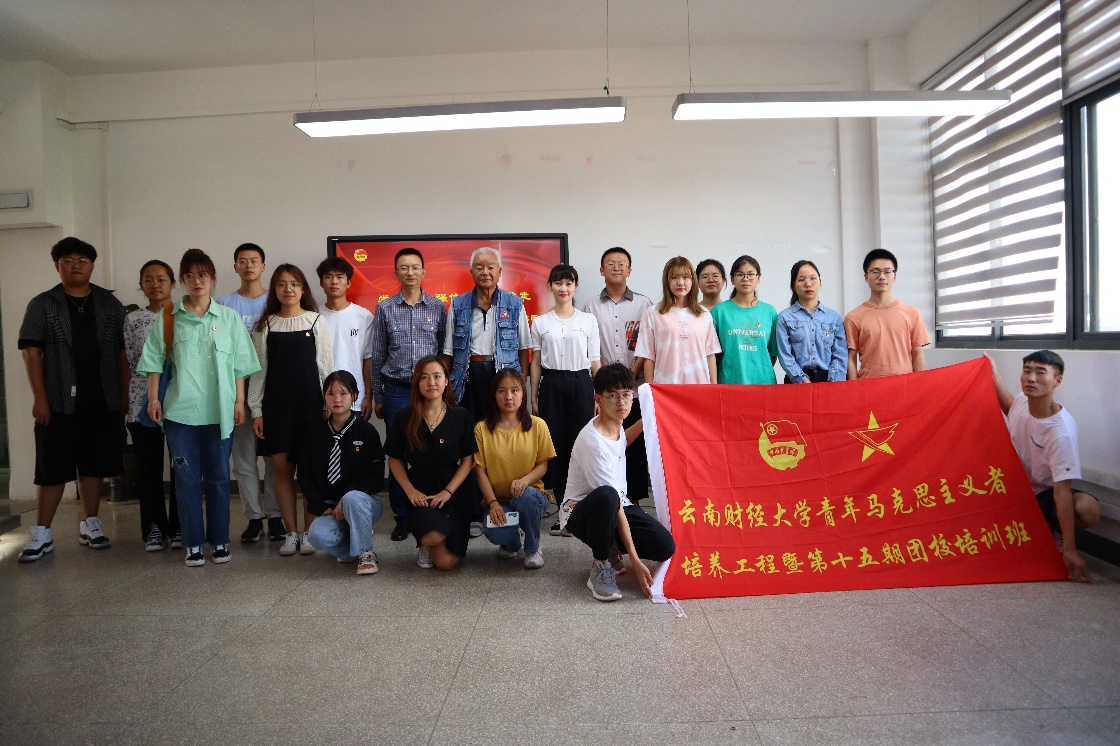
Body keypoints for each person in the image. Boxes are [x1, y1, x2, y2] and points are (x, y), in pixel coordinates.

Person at [139, 249, 260, 567]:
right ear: (182, 280)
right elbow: (154, 361)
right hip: (180, 412)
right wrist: (153, 400)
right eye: (190, 276)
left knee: (219, 478)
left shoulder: (229, 318)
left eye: (203, 275)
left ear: (212, 278)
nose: (197, 281)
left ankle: (219, 541)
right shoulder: (170, 317)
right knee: (186, 479)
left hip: (220, 412)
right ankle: (192, 543)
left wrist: (239, 402)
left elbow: (240, 366)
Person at [18, 237, 128, 562]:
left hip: (101, 398)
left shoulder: (109, 304)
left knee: (93, 465)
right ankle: (42, 532)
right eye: (67, 260)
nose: (75, 265)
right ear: (57, 266)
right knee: (51, 467)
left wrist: (123, 396)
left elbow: (124, 353)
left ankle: (90, 523)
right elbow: (31, 353)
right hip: (57, 401)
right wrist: (40, 399)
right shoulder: (43, 304)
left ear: (92, 265)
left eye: (82, 260)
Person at [562, 364, 675, 601]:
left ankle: (611, 547)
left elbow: (622, 442)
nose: (621, 402)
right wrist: (635, 559)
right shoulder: (593, 441)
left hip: (616, 504)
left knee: (665, 546)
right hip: (580, 511)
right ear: (598, 399)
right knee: (608, 496)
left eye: (626, 395)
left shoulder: (615, 425)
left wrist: (648, 419)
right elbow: (613, 502)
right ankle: (601, 565)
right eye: (612, 396)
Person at [989, 350, 1101, 583]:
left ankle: (1054, 532)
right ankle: (1034, 531)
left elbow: (1062, 491)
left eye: (1040, 373)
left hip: (1045, 494)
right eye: (1027, 371)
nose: (1031, 378)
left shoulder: (1061, 433)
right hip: (1015, 490)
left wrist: (1070, 549)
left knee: (1087, 508)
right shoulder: (1022, 401)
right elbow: (1010, 408)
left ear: (1057, 381)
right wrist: (992, 372)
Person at [248, 264, 333, 557]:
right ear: (274, 289)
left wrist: (328, 405)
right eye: (282, 284)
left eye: (294, 284)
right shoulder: (265, 326)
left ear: (303, 288)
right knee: (282, 471)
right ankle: (291, 533)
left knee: (309, 471)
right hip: (277, 409)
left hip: (311, 408)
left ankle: (309, 533)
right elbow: (258, 372)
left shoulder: (316, 321)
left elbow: (326, 368)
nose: (288, 289)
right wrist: (256, 410)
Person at [370, 247, 448, 542]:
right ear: (396, 273)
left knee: (435, 450)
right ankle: (402, 515)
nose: (410, 272)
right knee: (399, 454)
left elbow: (444, 353)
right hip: (397, 392)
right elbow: (378, 355)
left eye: (415, 267)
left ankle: (435, 507)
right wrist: (378, 396)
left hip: (432, 393)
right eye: (404, 267)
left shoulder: (438, 307)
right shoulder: (385, 308)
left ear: (424, 272)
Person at [384, 356, 477, 571]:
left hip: (453, 493)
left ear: (446, 381)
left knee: (445, 563)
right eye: (424, 377)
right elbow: (394, 458)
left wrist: (448, 492)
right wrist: (410, 491)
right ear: (417, 382)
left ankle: (442, 537)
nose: (431, 383)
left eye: (437, 376)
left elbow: (468, 460)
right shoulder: (405, 417)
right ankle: (427, 540)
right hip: (421, 494)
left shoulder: (460, 415)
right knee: (432, 537)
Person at [218, 243, 282, 544]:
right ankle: (254, 517)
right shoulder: (224, 304)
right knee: (243, 458)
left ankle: (275, 514)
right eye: (242, 261)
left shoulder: (275, 301)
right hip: (236, 391)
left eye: (254, 261)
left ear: (263, 266)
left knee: (273, 457)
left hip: (272, 390)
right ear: (235, 267)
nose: (248, 266)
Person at [530, 264, 600, 535]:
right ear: (550, 286)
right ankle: (563, 511)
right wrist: (534, 396)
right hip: (551, 385)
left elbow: (594, 361)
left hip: (581, 384)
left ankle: (582, 511)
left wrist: (600, 394)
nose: (563, 288)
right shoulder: (541, 322)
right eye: (558, 283)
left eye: (568, 283)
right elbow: (536, 362)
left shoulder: (588, 321)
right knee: (556, 449)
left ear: (576, 287)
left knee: (580, 447)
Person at [582, 247, 653, 504]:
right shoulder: (590, 306)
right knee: (605, 444)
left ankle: (633, 502)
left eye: (621, 264)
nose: (616, 267)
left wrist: (628, 377)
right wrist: (605, 381)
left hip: (634, 389)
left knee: (635, 448)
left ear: (629, 271)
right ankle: (607, 500)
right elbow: (589, 347)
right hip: (605, 390)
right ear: (602, 270)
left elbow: (648, 345)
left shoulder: (644, 304)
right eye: (610, 263)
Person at [300, 371, 386, 575]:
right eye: (331, 394)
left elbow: (376, 479)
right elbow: (304, 474)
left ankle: (366, 553)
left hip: (364, 503)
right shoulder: (316, 434)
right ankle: (352, 548)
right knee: (315, 534)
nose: (337, 399)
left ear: (354, 395)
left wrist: (346, 498)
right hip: (332, 509)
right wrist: (320, 505)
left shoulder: (367, 431)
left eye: (343, 393)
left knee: (352, 498)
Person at [123, 259, 180, 551]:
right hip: (142, 401)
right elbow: (130, 361)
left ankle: (180, 526)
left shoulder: (183, 315)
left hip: (180, 402)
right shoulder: (133, 319)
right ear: (141, 285)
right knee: (148, 469)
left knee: (181, 467)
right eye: (148, 279)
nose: (155, 284)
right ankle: (154, 528)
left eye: (161, 279)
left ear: (173, 283)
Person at [475, 370, 556, 568]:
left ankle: (533, 548)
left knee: (525, 497)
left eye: (515, 390)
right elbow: (480, 472)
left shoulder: (538, 425)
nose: (509, 396)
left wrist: (525, 481)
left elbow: (543, 465)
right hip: (499, 500)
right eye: (502, 391)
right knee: (494, 531)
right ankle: (511, 543)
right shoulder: (482, 429)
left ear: (523, 393)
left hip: (532, 496)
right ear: (494, 395)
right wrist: (493, 503)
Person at [442, 247, 530, 421]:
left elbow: (523, 348)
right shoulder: (457, 304)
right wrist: (446, 386)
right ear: (471, 272)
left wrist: (521, 382)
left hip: (502, 374)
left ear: (500, 271)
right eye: (479, 268)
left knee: (500, 422)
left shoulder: (515, 304)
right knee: (469, 424)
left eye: (490, 267)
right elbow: (448, 351)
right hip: (467, 375)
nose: (485, 272)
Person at [844, 248, 930, 379]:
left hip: (904, 386)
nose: (882, 277)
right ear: (866, 277)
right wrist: (854, 388)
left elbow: (917, 353)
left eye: (887, 272)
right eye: (875, 271)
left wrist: (918, 385)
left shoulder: (912, 313)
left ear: (894, 276)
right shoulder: (853, 317)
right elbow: (850, 357)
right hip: (869, 386)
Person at [635, 256, 720, 385]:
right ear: (667, 281)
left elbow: (710, 354)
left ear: (692, 280)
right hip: (665, 389)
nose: (680, 282)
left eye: (686, 277)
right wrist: (650, 391)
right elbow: (648, 357)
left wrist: (713, 388)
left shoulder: (703, 314)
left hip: (699, 388)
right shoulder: (653, 313)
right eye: (674, 277)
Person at [317, 256, 374, 419]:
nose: (334, 281)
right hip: (322, 398)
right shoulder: (314, 317)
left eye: (339, 277)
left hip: (355, 398)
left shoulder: (363, 317)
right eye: (328, 277)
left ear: (348, 282)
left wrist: (368, 396)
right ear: (321, 282)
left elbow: (368, 359)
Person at [775, 260, 847, 383]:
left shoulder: (834, 318)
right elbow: (785, 355)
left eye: (813, 278)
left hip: (828, 380)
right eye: (801, 279)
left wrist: (833, 381)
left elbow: (840, 354)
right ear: (793, 285)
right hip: (796, 381)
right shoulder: (784, 317)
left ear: (820, 282)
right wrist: (801, 379)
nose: (808, 284)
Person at [710, 255, 778, 384]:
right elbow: (712, 354)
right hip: (729, 383)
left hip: (763, 384)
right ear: (732, 279)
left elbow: (772, 353)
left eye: (750, 274)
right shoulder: (719, 312)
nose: (745, 279)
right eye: (740, 274)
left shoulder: (769, 312)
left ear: (758, 278)